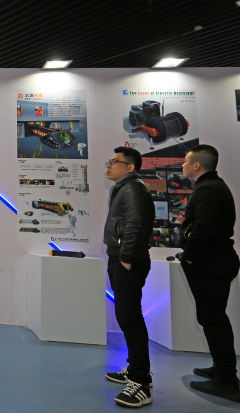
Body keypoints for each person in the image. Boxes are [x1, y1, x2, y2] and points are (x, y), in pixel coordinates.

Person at [178, 145, 240, 401]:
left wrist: (189, 256)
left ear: (197, 165)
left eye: (185, 161)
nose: (182, 164)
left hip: (211, 264)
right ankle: (222, 369)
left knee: (214, 320)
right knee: (213, 318)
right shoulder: (213, 186)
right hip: (216, 261)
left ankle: (227, 381)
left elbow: (204, 228)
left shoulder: (207, 190)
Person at [103, 146, 155, 407]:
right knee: (126, 316)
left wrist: (126, 257)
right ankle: (136, 368)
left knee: (130, 318)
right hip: (120, 258)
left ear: (130, 167)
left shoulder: (134, 188)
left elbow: (135, 224)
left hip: (128, 261)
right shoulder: (123, 187)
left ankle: (141, 382)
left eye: (114, 161)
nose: (108, 165)